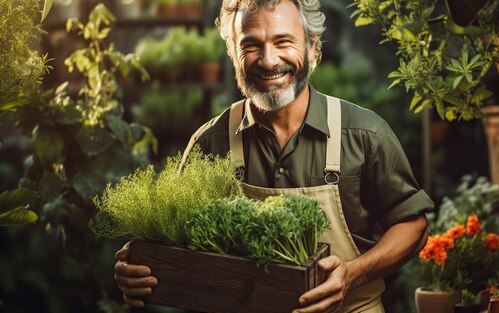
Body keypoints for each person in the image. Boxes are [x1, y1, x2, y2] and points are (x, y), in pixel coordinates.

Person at [113, 0, 433, 312]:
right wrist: (141, 261)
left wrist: (352, 274)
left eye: (283, 41)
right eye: (251, 45)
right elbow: (173, 240)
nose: (268, 61)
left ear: (312, 47)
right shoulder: (210, 143)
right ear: (232, 53)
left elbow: (413, 225)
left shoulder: (365, 134)